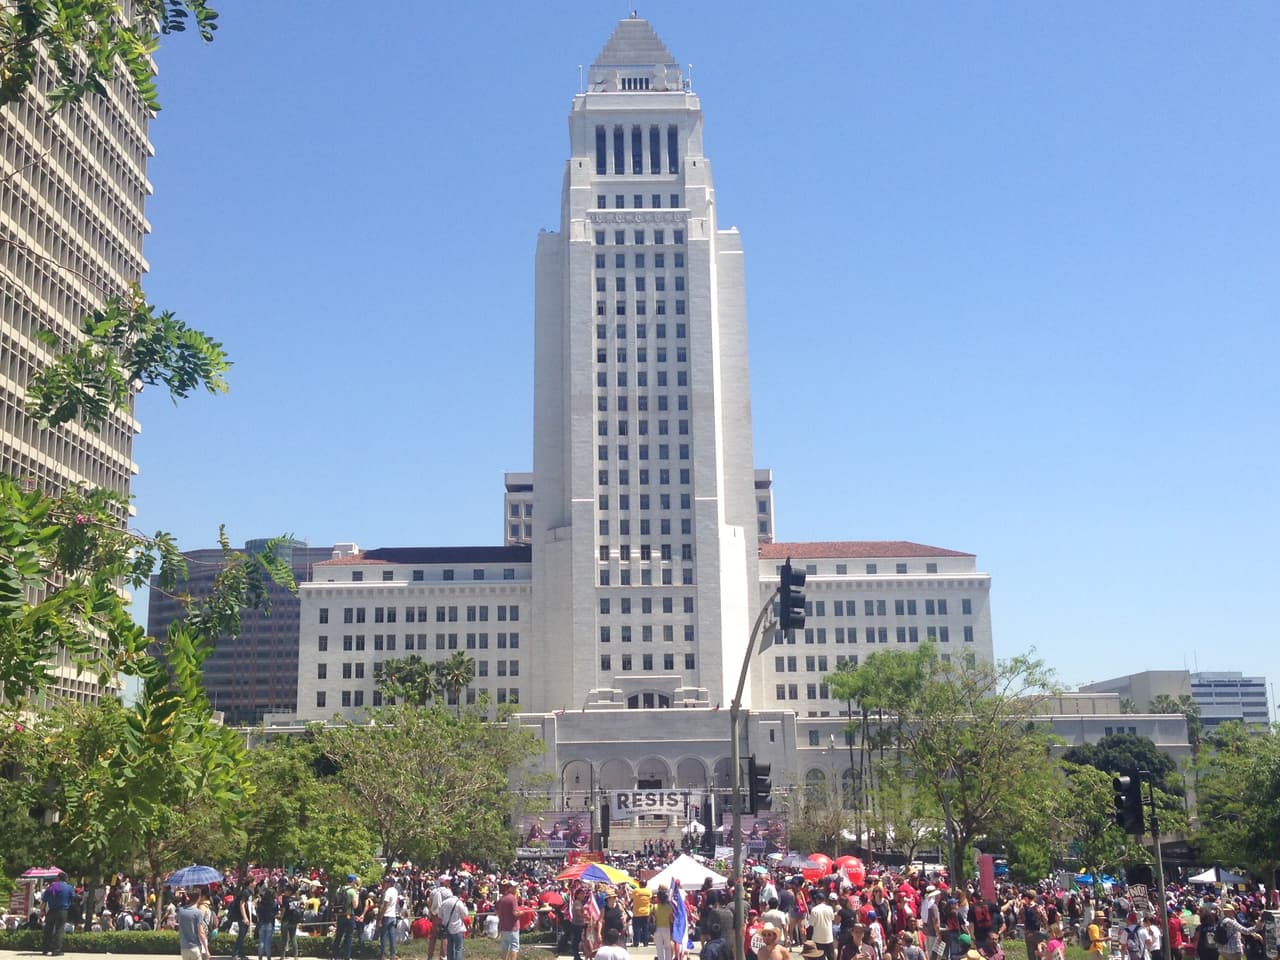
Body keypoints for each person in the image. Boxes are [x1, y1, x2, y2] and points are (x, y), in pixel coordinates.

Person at [41, 871, 75, 956]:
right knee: (59, 930)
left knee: (48, 930)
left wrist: (42, 910)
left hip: (51, 910)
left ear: (58, 878)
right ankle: (56, 950)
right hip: (62, 911)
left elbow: (44, 900)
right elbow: (73, 898)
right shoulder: (69, 887)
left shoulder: (51, 887)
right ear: (66, 879)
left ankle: (45, 949)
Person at [332, 875, 360, 960]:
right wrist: (357, 894)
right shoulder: (352, 891)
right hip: (349, 914)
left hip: (340, 915)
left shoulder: (339, 889)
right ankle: (346, 956)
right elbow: (355, 906)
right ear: (353, 881)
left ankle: (334, 956)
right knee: (349, 936)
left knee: (338, 936)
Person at [179, 890, 213, 960]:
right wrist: (206, 950)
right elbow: (201, 932)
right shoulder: (197, 913)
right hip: (195, 947)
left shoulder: (181, 911)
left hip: (184, 947)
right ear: (199, 898)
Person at [439, 884, 469, 960]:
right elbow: (465, 915)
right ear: (459, 894)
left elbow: (440, 915)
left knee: (449, 949)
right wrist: (464, 905)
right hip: (457, 928)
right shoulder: (459, 903)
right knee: (458, 949)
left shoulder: (444, 902)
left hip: (447, 928)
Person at [496, 880, 520, 960]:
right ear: (511, 888)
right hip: (512, 928)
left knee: (505, 947)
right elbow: (515, 913)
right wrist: (522, 913)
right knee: (514, 947)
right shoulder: (513, 898)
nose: (516, 888)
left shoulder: (502, 899)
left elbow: (497, 912)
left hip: (503, 927)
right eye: (515, 887)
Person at [380, 877, 402, 960]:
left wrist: (380, 917)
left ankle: (383, 955)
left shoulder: (388, 892)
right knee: (392, 936)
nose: (384, 884)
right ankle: (392, 954)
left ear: (389, 883)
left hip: (386, 915)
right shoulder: (395, 891)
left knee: (383, 936)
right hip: (393, 915)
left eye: (385, 882)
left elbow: (385, 905)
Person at [811, 893, 837, 960]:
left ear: (817, 900)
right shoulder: (830, 908)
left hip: (818, 938)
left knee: (820, 957)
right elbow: (832, 919)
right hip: (829, 937)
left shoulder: (814, 910)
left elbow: (811, 923)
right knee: (831, 957)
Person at [256, 883, 279, 960]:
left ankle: (260, 957)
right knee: (267, 942)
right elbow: (276, 913)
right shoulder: (274, 903)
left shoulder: (261, 902)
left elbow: (258, 912)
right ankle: (268, 957)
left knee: (261, 941)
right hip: (270, 922)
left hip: (261, 922)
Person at [652, 888, 675, 960]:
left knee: (659, 948)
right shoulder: (669, 907)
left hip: (657, 929)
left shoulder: (654, 907)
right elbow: (671, 919)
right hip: (666, 928)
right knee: (667, 947)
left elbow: (651, 918)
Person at [630, 883, 652, 947]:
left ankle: (636, 943)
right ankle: (646, 943)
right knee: (646, 929)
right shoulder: (649, 891)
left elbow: (632, 897)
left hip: (637, 913)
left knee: (636, 929)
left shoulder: (636, 891)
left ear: (639, 884)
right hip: (646, 912)